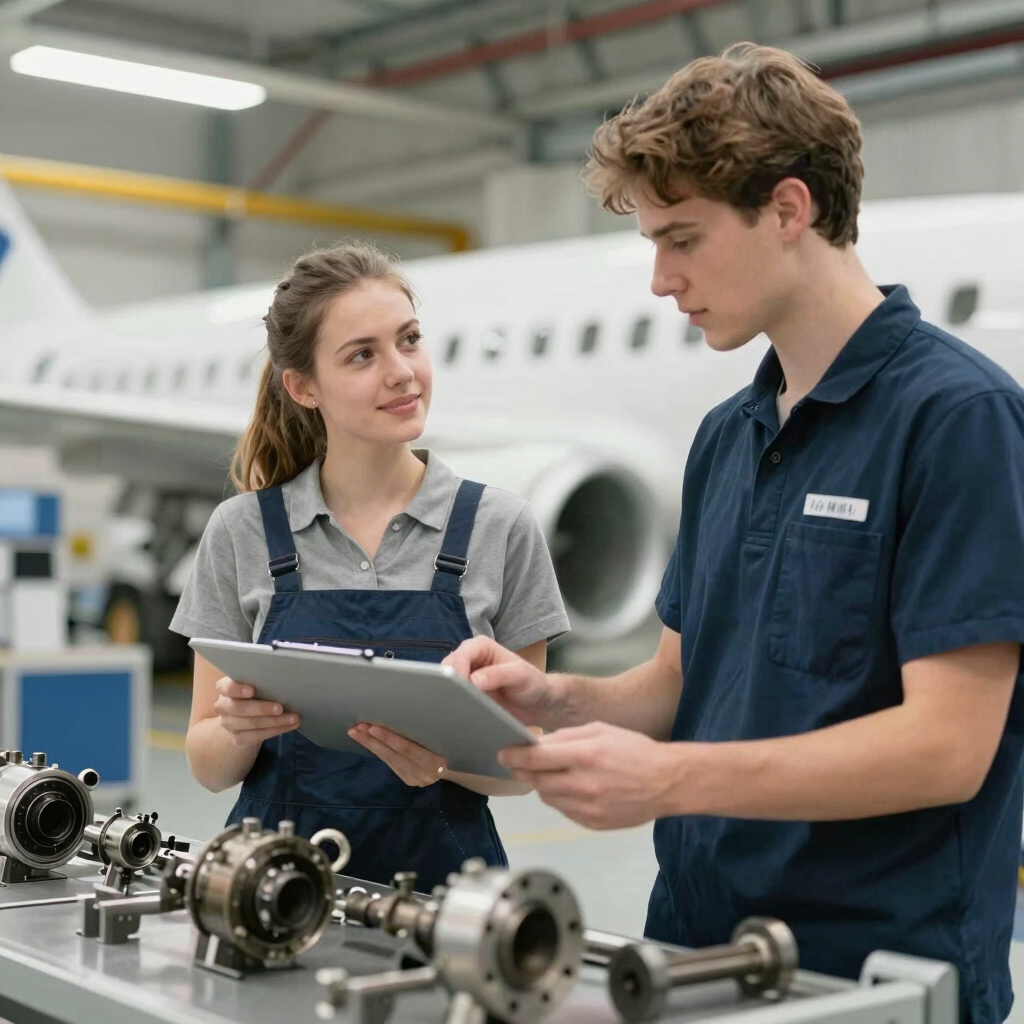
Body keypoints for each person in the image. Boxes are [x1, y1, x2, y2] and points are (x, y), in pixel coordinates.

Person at [445, 43, 1024, 1024]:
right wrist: (553, 695)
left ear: (788, 210)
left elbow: (946, 748)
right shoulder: (727, 436)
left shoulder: (957, 418)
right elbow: (678, 685)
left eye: (683, 238)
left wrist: (667, 779)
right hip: (693, 949)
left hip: (870, 971)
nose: (662, 280)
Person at [171, 240, 569, 892]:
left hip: (448, 904)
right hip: (275, 891)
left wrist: (441, 762)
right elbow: (208, 764)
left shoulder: (501, 527)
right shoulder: (242, 531)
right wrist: (239, 731)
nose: (402, 371)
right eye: (363, 355)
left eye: (409, 341)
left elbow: (521, 763)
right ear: (302, 387)